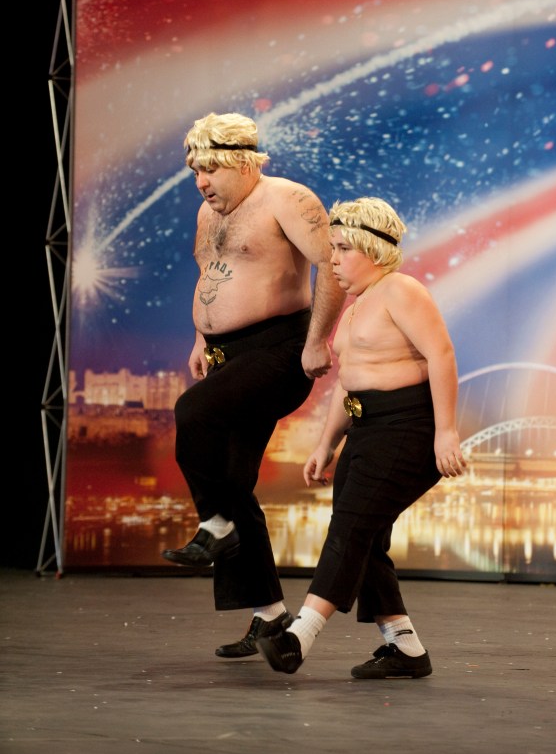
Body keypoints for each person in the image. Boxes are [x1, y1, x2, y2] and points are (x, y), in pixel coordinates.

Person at [255, 196, 467, 679]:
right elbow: (347, 380)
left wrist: (446, 432)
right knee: (364, 538)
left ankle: (298, 637)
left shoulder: (401, 290)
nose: (331, 259)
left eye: (343, 248)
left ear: (373, 249)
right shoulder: (356, 308)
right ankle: (406, 649)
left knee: (350, 528)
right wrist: (327, 443)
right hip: (367, 429)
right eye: (330, 247)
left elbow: (442, 355)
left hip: (407, 428)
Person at [161, 111, 345, 658]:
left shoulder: (287, 198)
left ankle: (214, 524)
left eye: (210, 170)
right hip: (225, 355)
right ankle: (269, 615)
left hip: (280, 349)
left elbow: (332, 267)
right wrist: (200, 338)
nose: (201, 182)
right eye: (195, 171)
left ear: (243, 163)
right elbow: (210, 275)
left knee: (192, 414)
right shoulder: (206, 210)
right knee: (235, 480)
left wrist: (317, 340)